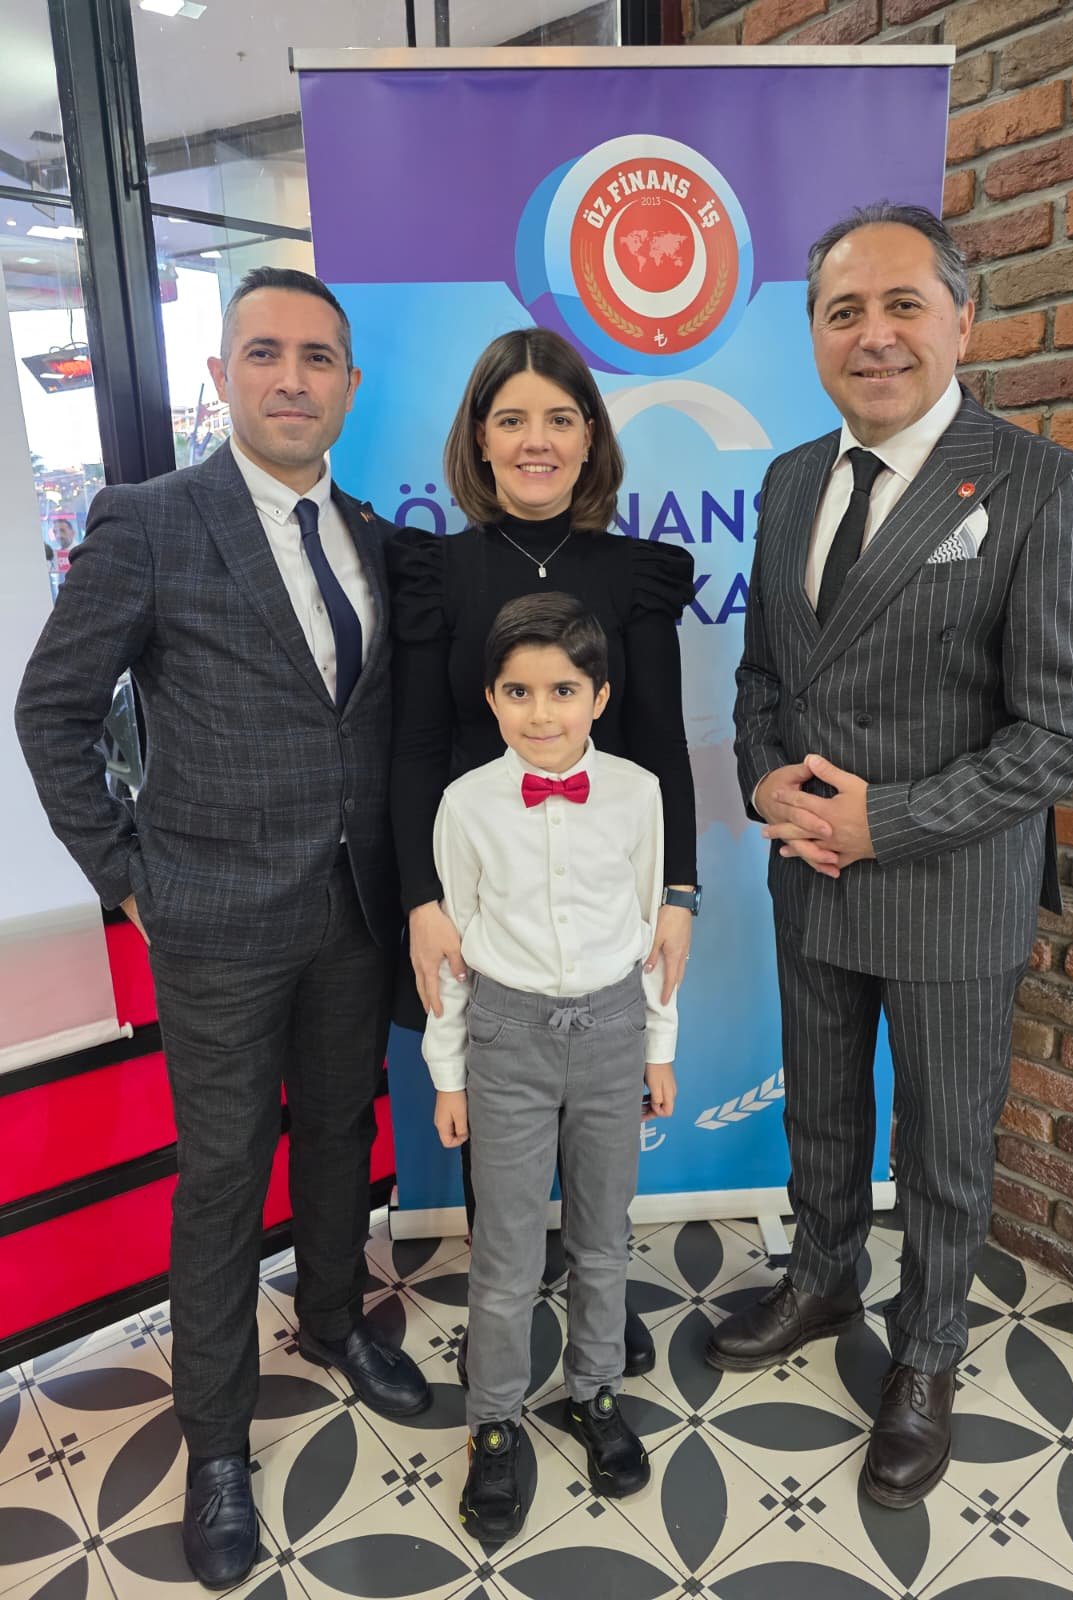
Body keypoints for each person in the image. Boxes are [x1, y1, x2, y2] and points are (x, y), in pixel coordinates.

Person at [15, 266, 431, 1588]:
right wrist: (127, 878)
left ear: (349, 385)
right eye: (264, 353)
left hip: (353, 910)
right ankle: (216, 1442)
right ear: (221, 375)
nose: (292, 379)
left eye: (317, 358)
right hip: (212, 922)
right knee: (221, 1174)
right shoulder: (150, 520)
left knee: (340, 1131)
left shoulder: (375, 536)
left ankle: (333, 1319)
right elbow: (52, 712)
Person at [705, 203, 1073, 1509]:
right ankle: (823, 1277)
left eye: (903, 306)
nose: (873, 335)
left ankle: (929, 1352)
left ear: (962, 323)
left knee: (941, 1146)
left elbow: (1068, 731)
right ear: (814, 334)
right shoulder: (788, 481)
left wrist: (882, 821)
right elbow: (765, 675)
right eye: (844, 312)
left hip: (949, 884)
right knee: (822, 1109)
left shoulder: (1041, 485)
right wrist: (764, 776)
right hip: (809, 871)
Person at [390, 326, 700, 1375]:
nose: (536, 441)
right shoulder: (435, 571)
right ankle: (507, 1322)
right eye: (512, 418)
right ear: (479, 438)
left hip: (602, 897)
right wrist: (422, 899)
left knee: (600, 1133)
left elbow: (660, 743)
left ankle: (596, 1304)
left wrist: (680, 892)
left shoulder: (635, 572)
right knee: (504, 1140)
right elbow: (414, 748)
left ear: (590, 437)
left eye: (560, 419)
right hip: (486, 898)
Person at [424, 590, 678, 1542]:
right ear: (491, 698)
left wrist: (659, 1047)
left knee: (604, 1238)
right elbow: (451, 953)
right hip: (507, 1040)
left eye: (563, 690)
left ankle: (594, 1390)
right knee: (506, 1254)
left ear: (599, 697)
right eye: (519, 692)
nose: (541, 713)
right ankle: (493, 1421)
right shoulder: (465, 804)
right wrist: (449, 1075)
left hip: (613, 1032)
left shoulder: (639, 793)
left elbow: (652, 931)